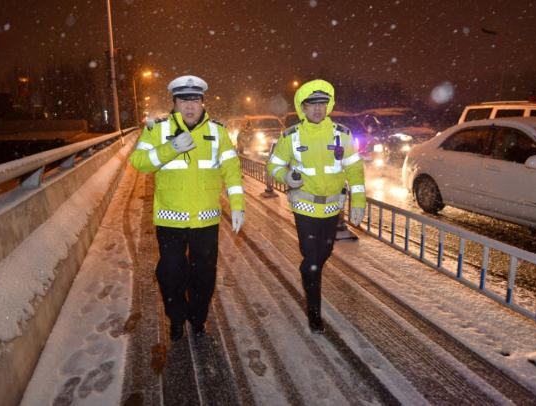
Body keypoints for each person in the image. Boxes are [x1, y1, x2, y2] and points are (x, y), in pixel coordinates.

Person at [130, 75, 245, 341]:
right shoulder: (157, 129)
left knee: (204, 277)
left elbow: (232, 171)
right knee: (170, 274)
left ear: (203, 102)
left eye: (195, 99)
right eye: (183, 100)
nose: (189, 106)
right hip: (170, 218)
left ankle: (197, 319)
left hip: (206, 220)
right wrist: (170, 148)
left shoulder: (217, 132)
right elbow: (138, 162)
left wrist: (238, 205)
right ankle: (176, 316)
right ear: (175, 102)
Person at [266, 79, 366, 333]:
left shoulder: (342, 134)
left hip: (333, 209)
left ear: (328, 106)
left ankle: (309, 270)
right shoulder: (291, 136)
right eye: (312, 105)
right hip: (305, 209)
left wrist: (359, 200)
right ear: (303, 108)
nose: (317, 110)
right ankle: (314, 313)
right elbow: (273, 165)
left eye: (322, 104)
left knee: (324, 254)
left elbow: (354, 168)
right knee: (312, 258)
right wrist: (286, 177)